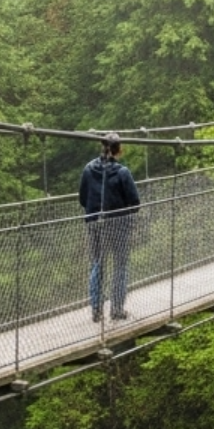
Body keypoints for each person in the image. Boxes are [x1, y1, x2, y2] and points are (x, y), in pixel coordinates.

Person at [78, 134, 141, 322]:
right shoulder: (123, 173)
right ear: (119, 149)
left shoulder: (88, 169)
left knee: (97, 264)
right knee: (120, 266)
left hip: (95, 225)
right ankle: (117, 309)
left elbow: (82, 198)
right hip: (119, 226)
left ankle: (96, 310)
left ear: (101, 147)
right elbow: (135, 203)